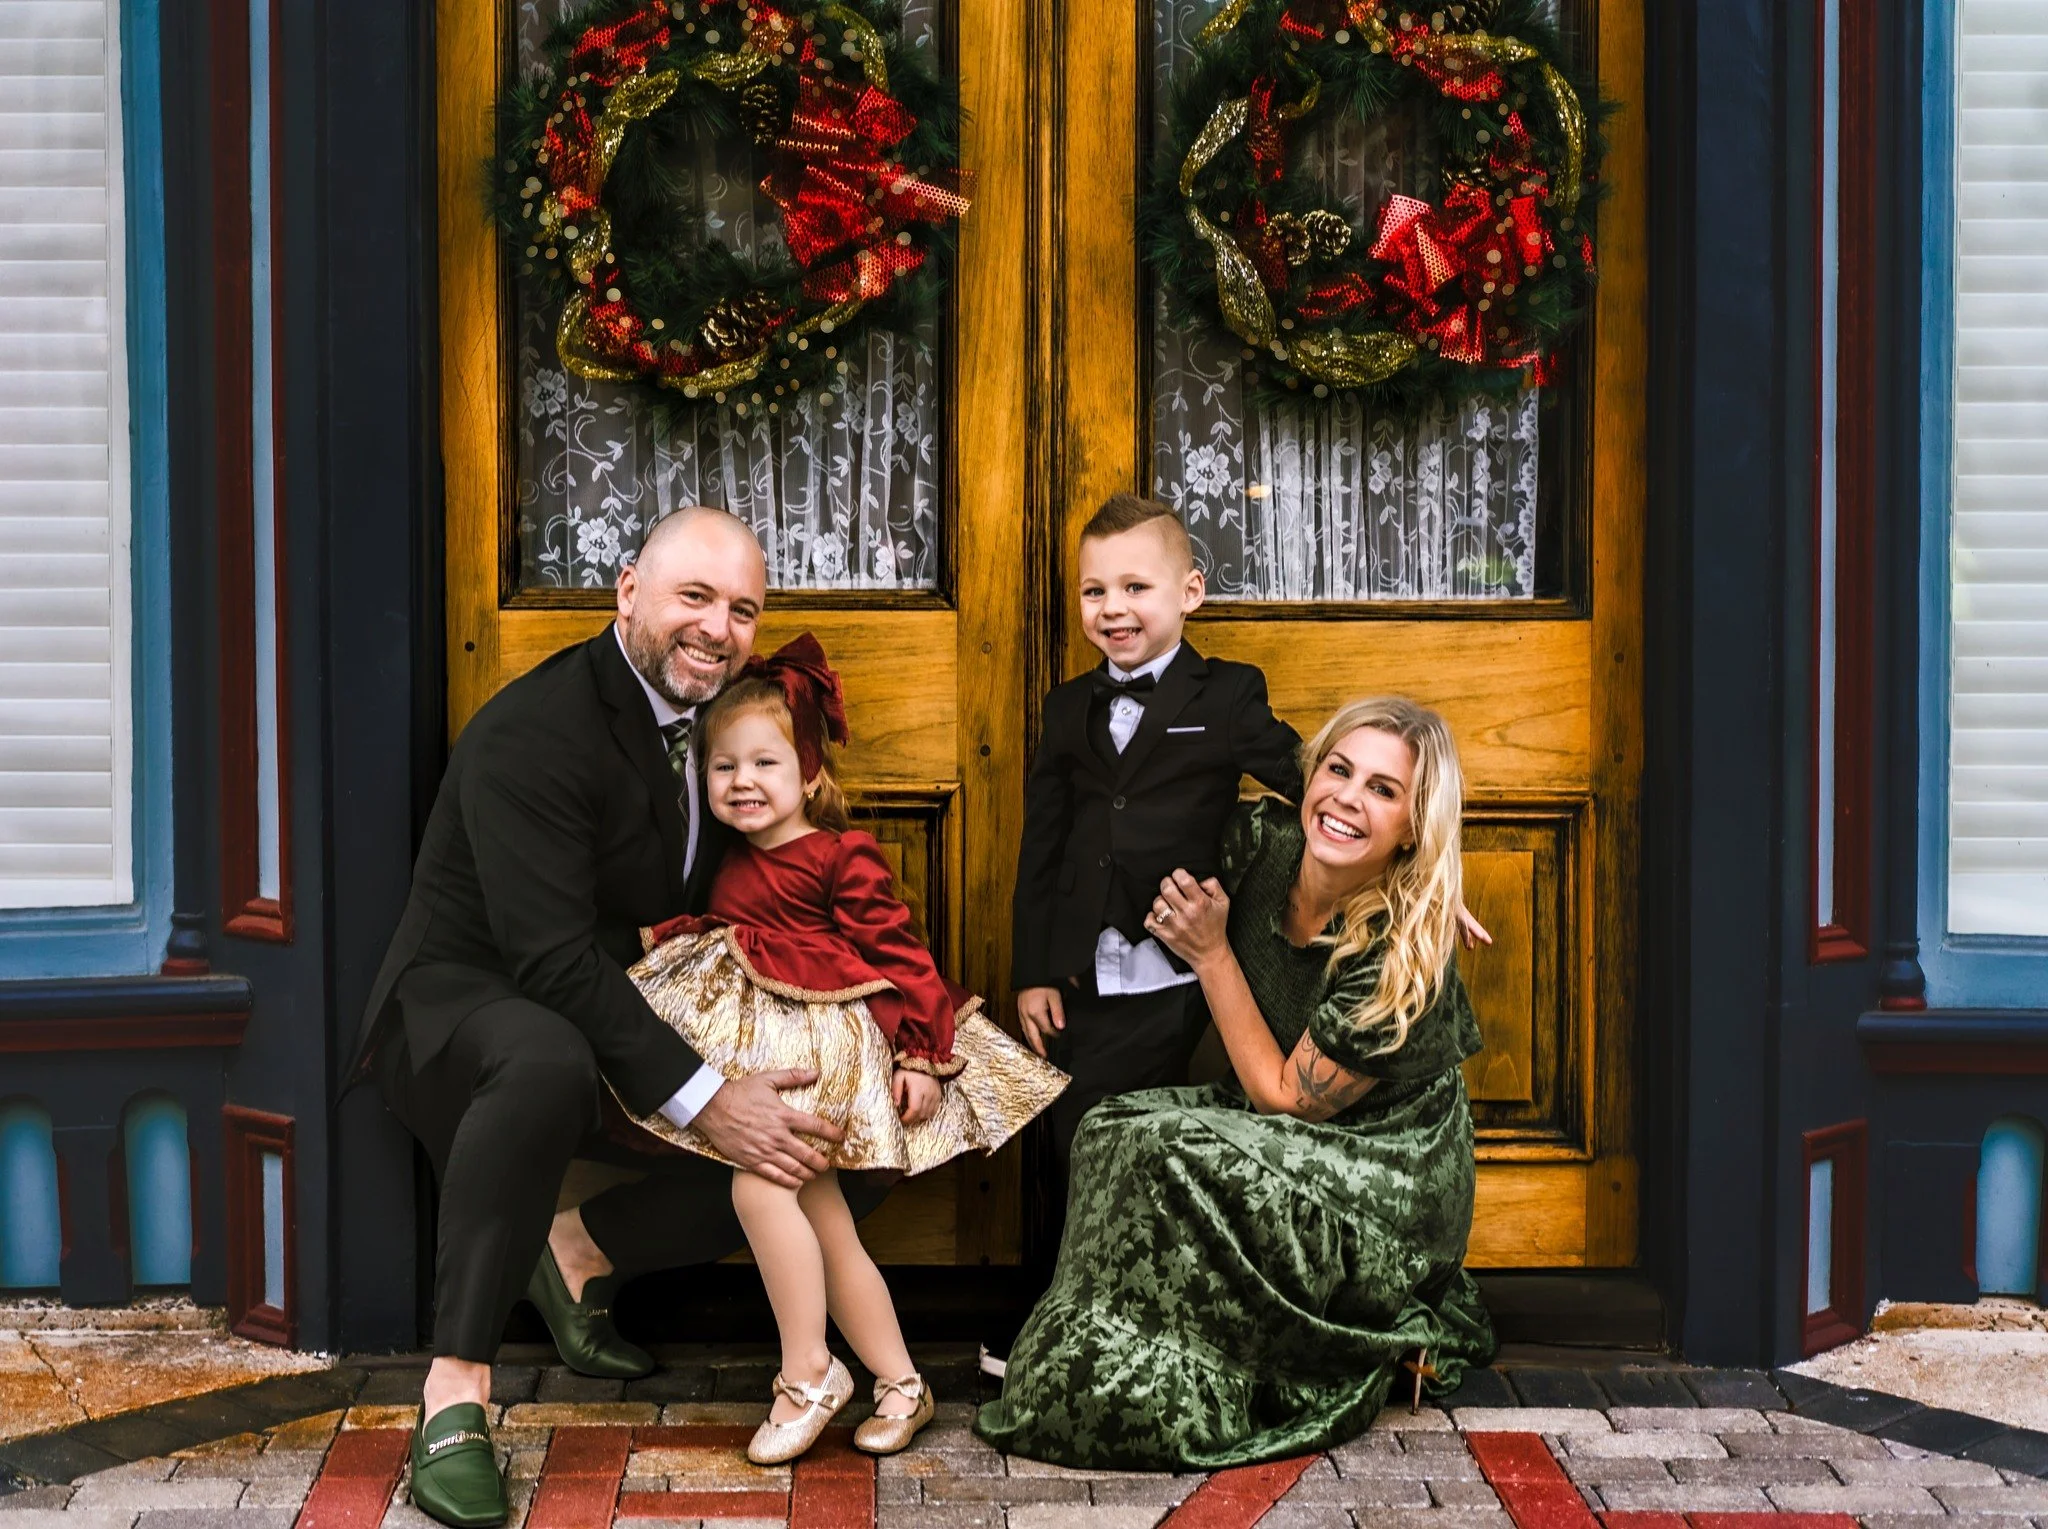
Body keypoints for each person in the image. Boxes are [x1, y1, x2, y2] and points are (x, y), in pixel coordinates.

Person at [353, 508, 871, 1528]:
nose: (718, 628)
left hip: (625, 998)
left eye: (743, 610)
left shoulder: (724, 724)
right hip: (469, 1006)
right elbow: (547, 959)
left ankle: (579, 1249)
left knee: (842, 1123)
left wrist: (894, 1035)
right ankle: (455, 1394)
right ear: (627, 589)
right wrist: (710, 1098)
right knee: (546, 1057)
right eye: (695, 596)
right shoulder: (534, 730)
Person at [976, 697, 1498, 1469]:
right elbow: (1148, 814)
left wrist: (1213, 953)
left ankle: (1251, 1361)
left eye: (1384, 790)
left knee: (1169, 1151)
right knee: (1110, 1126)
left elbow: (1288, 1098)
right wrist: (1042, 961)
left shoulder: (1400, 953)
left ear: (1415, 826)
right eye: (1339, 769)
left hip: (1384, 1177)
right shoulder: (1264, 844)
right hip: (1285, 1127)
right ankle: (1108, 1342)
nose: (1349, 796)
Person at [615, 635, 1066, 1464]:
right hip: (766, 1057)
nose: (743, 781)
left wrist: (920, 1054)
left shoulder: (838, 855)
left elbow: (902, 957)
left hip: (826, 1056)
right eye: (724, 767)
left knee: (759, 1186)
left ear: (810, 775)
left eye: (766, 763)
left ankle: (807, 1373)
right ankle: (902, 1381)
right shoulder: (722, 857)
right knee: (828, 1226)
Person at [1011, 494, 1302, 1178]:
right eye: (1095, 591)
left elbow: (1307, 779)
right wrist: (1034, 973)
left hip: (1179, 971)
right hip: (1085, 973)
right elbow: (1041, 846)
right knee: (1078, 1136)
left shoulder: (1227, 696)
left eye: (1135, 587)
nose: (1112, 608)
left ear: (1189, 592)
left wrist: (1410, 844)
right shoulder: (1065, 708)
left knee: (1155, 1138)